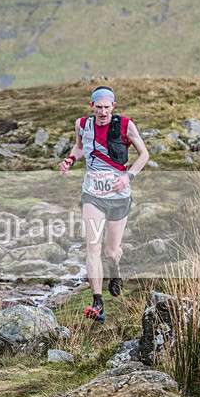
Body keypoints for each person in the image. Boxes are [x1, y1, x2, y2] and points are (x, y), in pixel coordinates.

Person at [60, 85, 149, 321]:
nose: (102, 112)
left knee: (111, 251)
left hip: (119, 197)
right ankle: (97, 302)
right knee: (92, 246)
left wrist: (128, 176)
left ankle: (115, 270)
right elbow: (79, 147)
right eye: (98, 107)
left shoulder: (125, 125)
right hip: (92, 194)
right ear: (91, 106)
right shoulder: (82, 125)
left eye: (106, 108)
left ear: (114, 107)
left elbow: (144, 154)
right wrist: (70, 159)